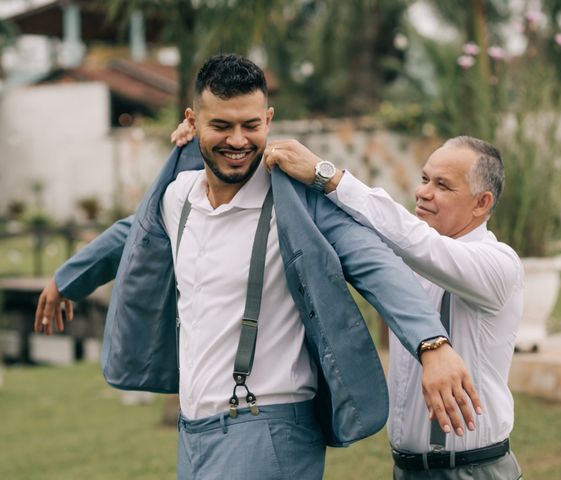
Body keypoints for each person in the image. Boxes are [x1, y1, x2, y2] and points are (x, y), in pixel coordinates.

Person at [34, 54, 481, 480]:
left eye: (251, 125)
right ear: (192, 122)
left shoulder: (299, 201)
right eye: (221, 126)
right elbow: (131, 234)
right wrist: (67, 279)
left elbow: (376, 263)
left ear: (268, 119)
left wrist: (431, 343)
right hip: (195, 432)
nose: (237, 140)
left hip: (271, 430)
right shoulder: (178, 197)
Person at [258, 136, 524, 479]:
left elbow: (416, 241)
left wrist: (326, 176)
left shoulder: (498, 265)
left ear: (481, 203)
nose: (423, 192)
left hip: (471, 471)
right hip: (405, 470)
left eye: (442, 185)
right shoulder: (406, 258)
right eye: (425, 178)